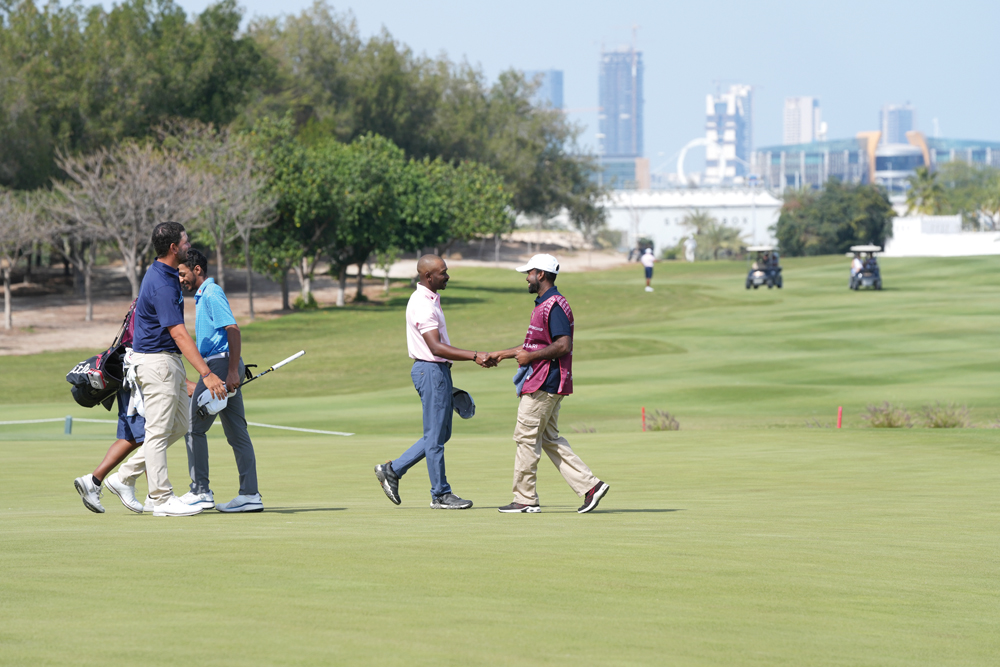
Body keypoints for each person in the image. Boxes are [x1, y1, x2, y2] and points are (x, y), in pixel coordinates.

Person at [103, 222, 226, 517]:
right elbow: (179, 332)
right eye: (185, 243)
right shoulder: (161, 281)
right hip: (157, 362)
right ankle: (160, 498)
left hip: (167, 362)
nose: (188, 246)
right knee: (157, 431)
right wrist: (207, 375)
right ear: (173, 248)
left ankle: (123, 477)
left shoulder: (168, 274)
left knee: (179, 425)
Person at [486, 254, 609, 514]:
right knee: (548, 438)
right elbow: (533, 345)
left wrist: (530, 357)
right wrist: (502, 354)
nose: (526, 278)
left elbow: (563, 345)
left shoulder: (553, 305)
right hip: (546, 381)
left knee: (526, 439)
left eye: (528, 273)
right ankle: (590, 487)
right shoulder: (546, 304)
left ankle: (525, 499)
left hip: (543, 382)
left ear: (540, 274)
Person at [374, 254, 493, 510]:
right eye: (443, 272)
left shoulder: (430, 299)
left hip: (436, 372)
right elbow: (436, 347)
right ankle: (440, 494)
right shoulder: (423, 304)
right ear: (429, 277)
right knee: (435, 437)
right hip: (431, 370)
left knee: (441, 434)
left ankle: (392, 470)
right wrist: (474, 356)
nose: (447, 276)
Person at [177, 249, 263, 513]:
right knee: (237, 433)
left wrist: (232, 372)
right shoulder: (204, 296)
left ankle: (200, 491)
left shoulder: (212, 294)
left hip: (220, 365)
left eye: (182, 273)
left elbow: (233, 330)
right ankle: (250, 494)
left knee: (194, 428)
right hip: (224, 364)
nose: (180, 279)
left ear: (197, 270)